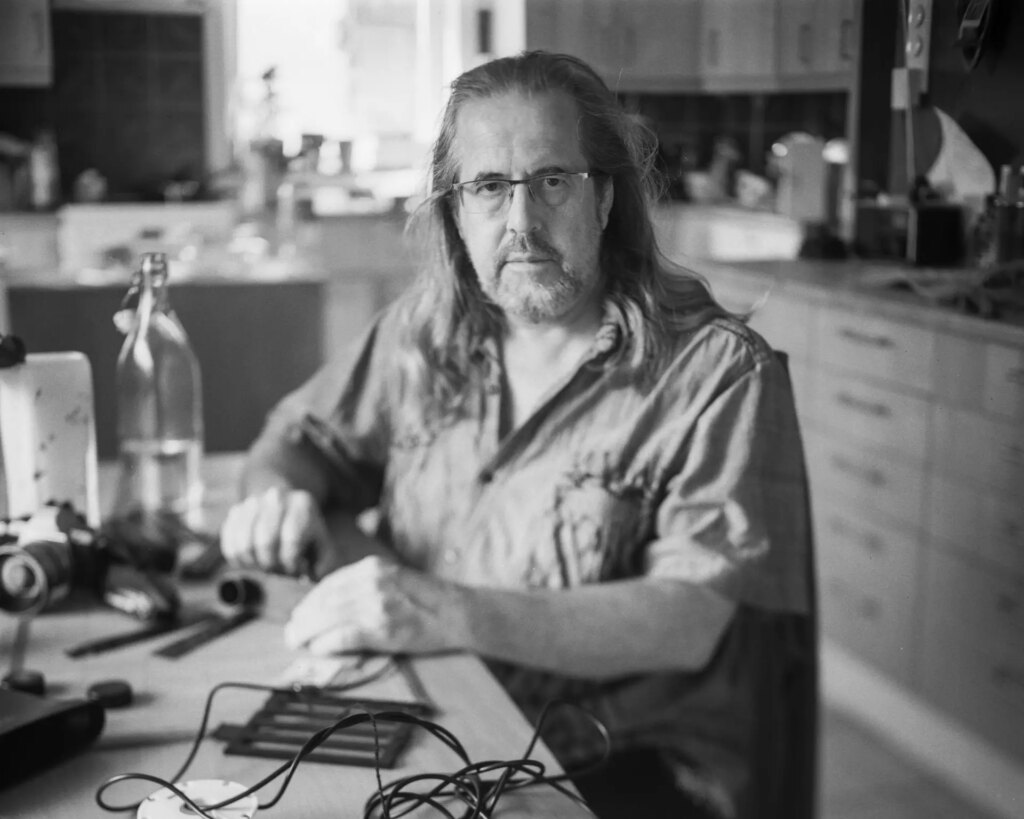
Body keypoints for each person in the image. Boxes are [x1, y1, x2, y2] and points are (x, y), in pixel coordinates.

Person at [219, 51, 815, 819]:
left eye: (552, 182)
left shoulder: (717, 373)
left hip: (625, 767)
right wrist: (278, 499)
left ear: (604, 197)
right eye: (490, 188)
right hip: (448, 716)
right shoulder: (422, 333)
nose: (522, 223)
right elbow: (298, 442)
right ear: (456, 212)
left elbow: (689, 617)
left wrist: (441, 611)